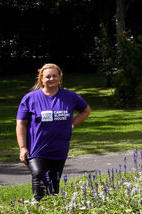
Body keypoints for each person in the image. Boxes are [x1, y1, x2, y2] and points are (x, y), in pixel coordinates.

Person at [16, 63, 90, 201]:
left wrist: (71, 124)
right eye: (48, 76)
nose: (51, 79)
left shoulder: (70, 96)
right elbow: (21, 123)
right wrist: (22, 147)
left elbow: (86, 111)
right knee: (38, 175)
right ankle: (38, 206)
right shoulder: (30, 98)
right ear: (41, 79)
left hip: (59, 148)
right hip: (36, 148)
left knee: (53, 182)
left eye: (54, 76)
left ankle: (52, 211)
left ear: (60, 78)